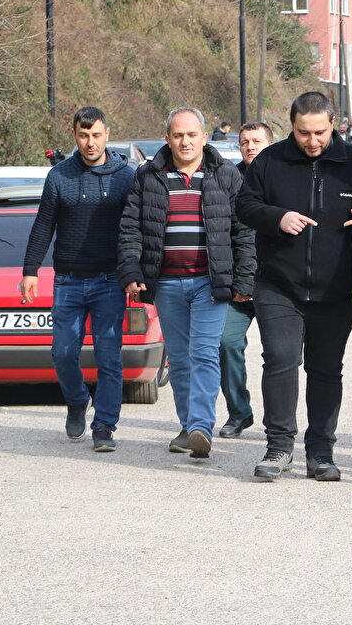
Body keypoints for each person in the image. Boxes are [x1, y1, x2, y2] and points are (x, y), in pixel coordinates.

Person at [236, 92, 352, 481]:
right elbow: (245, 205)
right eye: (302, 132)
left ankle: (321, 452)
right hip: (279, 284)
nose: (312, 141)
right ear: (291, 127)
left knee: (326, 368)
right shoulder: (270, 160)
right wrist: (277, 217)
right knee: (280, 360)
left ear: (334, 125)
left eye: (319, 132)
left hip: (336, 287)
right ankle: (278, 446)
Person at [118, 107, 254, 458]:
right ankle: (188, 425)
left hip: (211, 283)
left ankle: (200, 427)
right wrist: (132, 273)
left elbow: (244, 231)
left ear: (204, 137)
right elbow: (131, 228)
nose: (185, 141)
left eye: (192, 134)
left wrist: (243, 278)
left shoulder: (225, 175)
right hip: (166, 284)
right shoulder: (149, 175)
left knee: (205, 353)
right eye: (178, 135)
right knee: (178, 359)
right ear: (168, 138)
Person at [20, 106, 135, 452]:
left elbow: (134, 228)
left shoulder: (125, 176)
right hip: (68, 281)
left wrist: (135, 271)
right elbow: (44, 225)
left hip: (109, 281)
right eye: (83, 136)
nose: (90, 142)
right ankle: (76, 400)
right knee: (63, 352)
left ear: (107, 134)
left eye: (96, 135)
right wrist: (30, 270)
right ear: (75, 136)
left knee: (109, 356)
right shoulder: (59, 176)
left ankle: (104, 426)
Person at [214, 121, 274, 439]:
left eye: (256, 141)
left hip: (276, 284)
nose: (250, 146)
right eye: (244, 141)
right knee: (225, 343)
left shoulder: (283, 180)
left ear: (270, 144)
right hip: (238, 286)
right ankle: (239, 413)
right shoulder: (229, 179)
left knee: (280, 354)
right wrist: (237, 282)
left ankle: (279, 420)